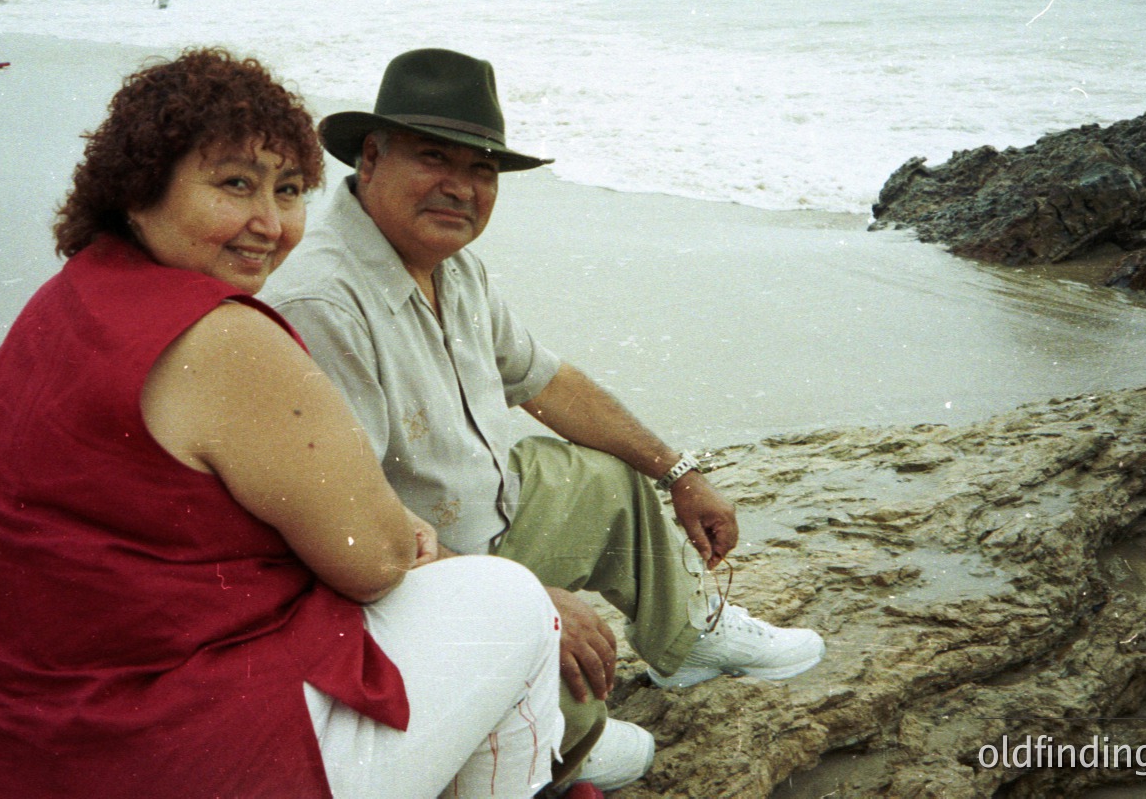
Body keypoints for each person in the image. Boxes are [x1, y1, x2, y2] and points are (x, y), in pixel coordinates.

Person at [0, 48, 563, 799]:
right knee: (511, 601)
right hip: (140, 752)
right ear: (139, 187)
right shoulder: (223, 339)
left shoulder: (62, 301)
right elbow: (375, 560)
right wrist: (396, 534)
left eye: (288, 191)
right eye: (234, 184)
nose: (270, 224)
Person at [264, 48, 827, 792]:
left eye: (483, 170)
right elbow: (349, 532)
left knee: (606, 473)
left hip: (477, 523)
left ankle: (686, 641)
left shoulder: (453, 265)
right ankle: (572, 748)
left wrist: (680, 470)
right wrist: (522, 602)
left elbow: (549, 383)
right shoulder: (325, 299)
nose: (461, 188)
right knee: (572, 702)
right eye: (435, 158)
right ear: (371, 157)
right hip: (399, 585)